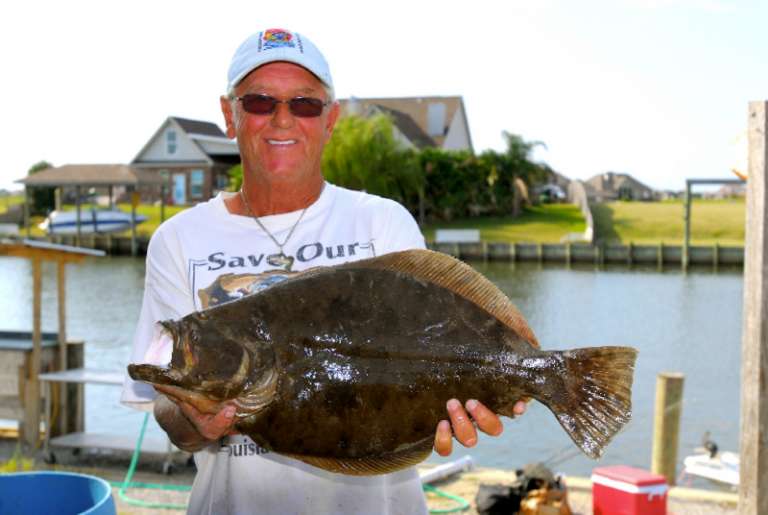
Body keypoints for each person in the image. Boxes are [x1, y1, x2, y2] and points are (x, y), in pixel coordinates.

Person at [121, 28, 525, 515]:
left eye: (305, 104)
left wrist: (489, 388)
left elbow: (428, 343)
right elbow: (164, 403)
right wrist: (193, 421)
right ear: (230, 115)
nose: (282, 118)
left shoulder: (381, 221)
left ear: (330, 119)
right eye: (259, 102)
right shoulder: (178, 239)